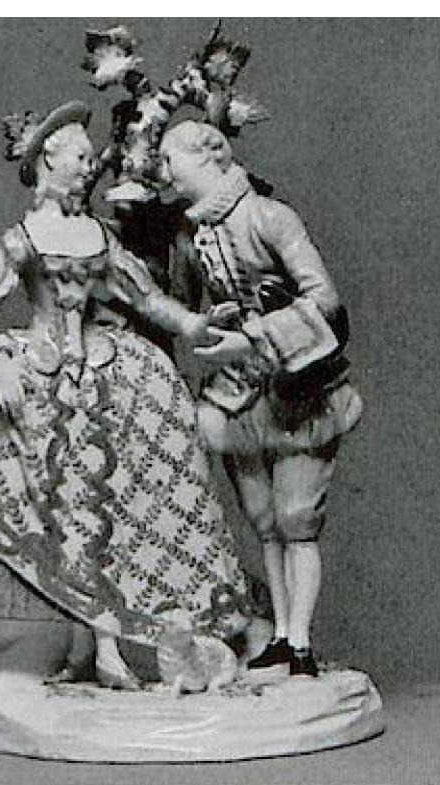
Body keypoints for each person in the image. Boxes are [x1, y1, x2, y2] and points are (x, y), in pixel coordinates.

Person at [0, 102, 266, 690]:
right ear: (48, 160)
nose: (90, 166)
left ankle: (116, 641)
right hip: (41, 369)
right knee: (62, 502)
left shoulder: (98, 235)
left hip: (104, 367)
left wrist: (195, 325)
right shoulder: (25, 237)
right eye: (80, 157)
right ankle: (97, 646)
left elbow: (144, 297)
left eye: (89, 158)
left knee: (133, 480)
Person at [159, 120, 363, 677]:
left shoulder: (270, 218)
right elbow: (186, 309)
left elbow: (326, 302)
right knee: (263, 519)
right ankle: (281, 634)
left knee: (297, 517)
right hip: (237, 395)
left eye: (171, 159)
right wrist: (209, 326)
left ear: (208, 157)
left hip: (296, 391)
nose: (165, 172)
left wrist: (251, 337)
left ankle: (301, 642)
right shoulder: (192, 235)